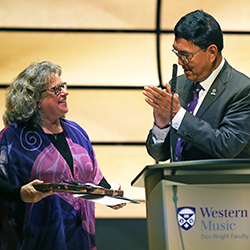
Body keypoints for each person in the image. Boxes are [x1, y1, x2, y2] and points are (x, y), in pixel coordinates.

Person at [0, 61, 124, 250]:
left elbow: (93, 177)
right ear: (35, 99)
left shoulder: (77, 132)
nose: (64, 92)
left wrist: (110, 194)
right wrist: (20, 193)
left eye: (63, 86)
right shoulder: (13, 136)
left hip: (81, 238)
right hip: (37, 238)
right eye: (55, 89)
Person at [143, 10, 250, 162]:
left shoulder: (242, 90)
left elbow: (227, 146)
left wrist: (178, 115)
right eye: (177, 54)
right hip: (175, 184)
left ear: (211, 52)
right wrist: (161, 127)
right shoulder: (177, 85)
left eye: (186, 55)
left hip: (215, 185)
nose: (180, 62)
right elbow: (160, 155)